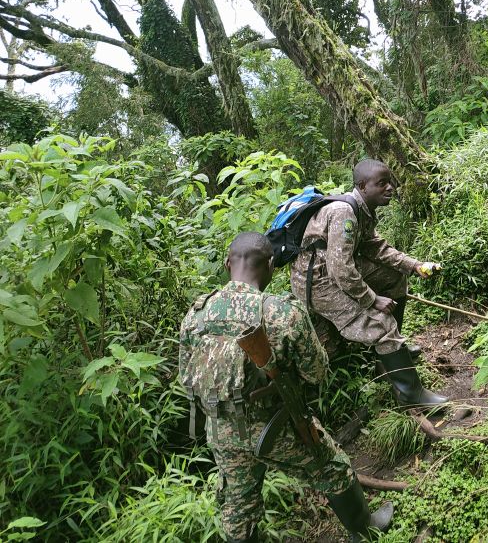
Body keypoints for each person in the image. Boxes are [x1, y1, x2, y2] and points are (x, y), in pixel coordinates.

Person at [178, 232, 393, 542]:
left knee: (238, 504)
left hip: (220, 428)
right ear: (270, 264)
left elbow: (187, 375)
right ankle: (365, 529)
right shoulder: (280, 312)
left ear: (227, 265)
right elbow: (317, 373)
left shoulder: (195, 316)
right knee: (331, 467)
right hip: (276, 428)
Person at [290, 159, 448, 408]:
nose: (390, 188)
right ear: (362, 186)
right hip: (317, 283)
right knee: (380, 323)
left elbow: (375, 247)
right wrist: (372, 299)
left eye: (390, 182)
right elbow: (340, 270)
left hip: (330, 270)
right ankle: (411, 395)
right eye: (382, 183)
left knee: (394, 276)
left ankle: (388, 355)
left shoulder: (361, 209)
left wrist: (414, 265)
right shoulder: (345, 213)